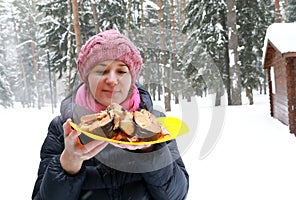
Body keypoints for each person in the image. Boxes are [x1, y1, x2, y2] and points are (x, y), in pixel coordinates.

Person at [32, 29, 189, 200]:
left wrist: (150, 150)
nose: (112, 80)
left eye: (121, 71)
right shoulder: (64, 128)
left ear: (132, 78)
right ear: (87, 77)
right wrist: (68, 164)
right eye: (101, 71)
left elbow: (176, 195)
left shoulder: (154, 123)